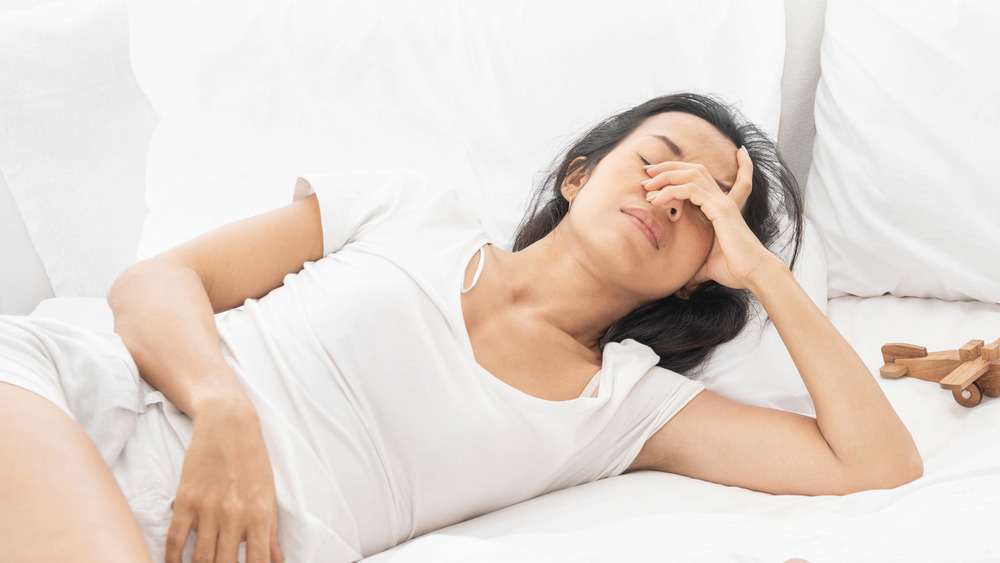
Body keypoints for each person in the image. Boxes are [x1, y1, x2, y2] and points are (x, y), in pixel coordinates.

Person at [0, 93, 922, 563]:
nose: (667, 197)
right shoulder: (413, 210)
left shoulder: (624, 407)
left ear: (700, 273)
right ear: (578, 175)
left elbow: (873, 464)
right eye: (658, 161)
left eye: (703, 207)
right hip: (76, 402)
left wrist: (760, 267)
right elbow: (159, 280)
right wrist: (223, 410)